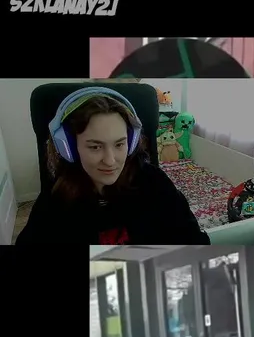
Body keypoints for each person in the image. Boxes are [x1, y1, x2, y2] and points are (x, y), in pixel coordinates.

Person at [16, 87, 210, 245]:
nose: (110, 160)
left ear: (131, 142)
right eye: (95, 147)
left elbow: (194, 241)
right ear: (69, 147)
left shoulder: (155, 183)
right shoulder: (56, 200)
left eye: (119, 144)